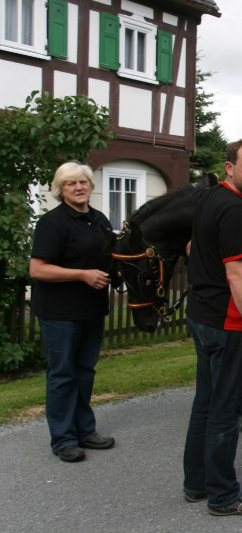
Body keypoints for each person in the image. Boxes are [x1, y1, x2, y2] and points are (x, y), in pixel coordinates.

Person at [183, 139, 242, 516]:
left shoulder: (209, 197)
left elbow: (193, 247)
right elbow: (238, 275)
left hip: (202, 316)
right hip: (229, 324)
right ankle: (223, 496)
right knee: (227, 410)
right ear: (229, 167)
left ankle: (197, 485)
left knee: (206, 404)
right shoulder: (236, 210)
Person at [29, 161, 115, 463]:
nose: (79, 187)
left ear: (90, 186)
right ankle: (64, 439)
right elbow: (38, 269)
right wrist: (81, 274)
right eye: (71, 183)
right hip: (60, 313)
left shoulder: (99, 219)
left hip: (92, 309)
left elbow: (108, 259)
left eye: (83, 182)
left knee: (84, 372)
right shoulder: (52, 223)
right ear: (61, 190)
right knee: (63, 374)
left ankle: (85, 431)